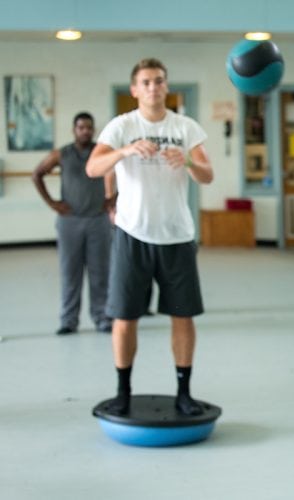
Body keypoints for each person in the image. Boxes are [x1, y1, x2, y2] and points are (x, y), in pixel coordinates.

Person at [86, 58, 214, 416]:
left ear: (166, 86)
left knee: (182, 316)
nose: (153, 87)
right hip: (132, 235)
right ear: (134, 89)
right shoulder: (121, 126)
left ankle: (184, 393)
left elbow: (207, 175)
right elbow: (93, 167)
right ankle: (123, 392)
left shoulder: (186, 127)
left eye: (159, 81)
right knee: (124, 317)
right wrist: (125, 150)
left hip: (176, 236)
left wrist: (187, 161)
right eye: (146, 82)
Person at [32, 112, 114, 335]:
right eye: (81, 127)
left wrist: (112, 200)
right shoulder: (62, 154)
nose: (85, 131)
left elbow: (122, 172)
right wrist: (53, 203)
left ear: (93, 129)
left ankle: (103, 317)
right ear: (74, 130)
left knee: (100, 273)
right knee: (70, 273)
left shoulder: (102, 152)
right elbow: (37, 174)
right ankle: (68, 320)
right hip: (70, 222)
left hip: (98, 221)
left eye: (89, 127)